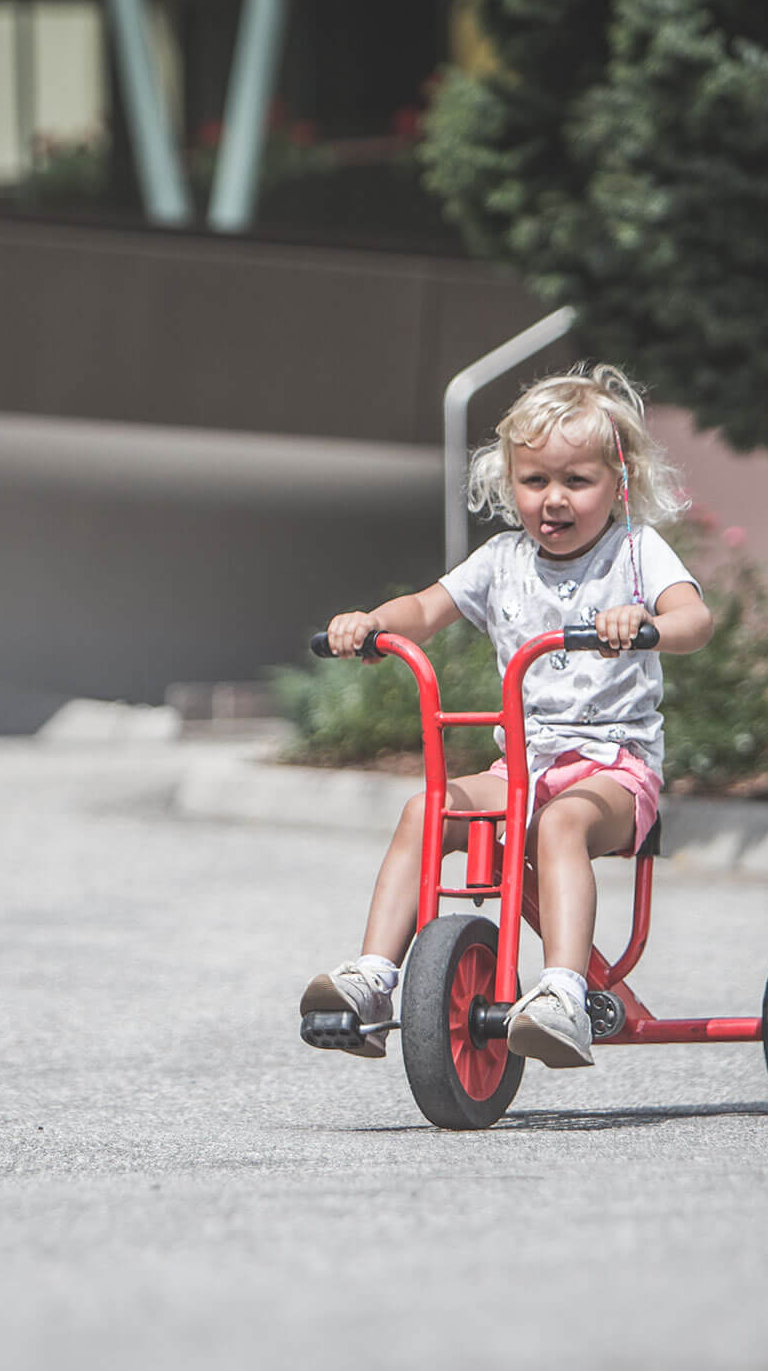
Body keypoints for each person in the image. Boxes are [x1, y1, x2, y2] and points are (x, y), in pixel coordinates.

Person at [305, 364, 713, 1068]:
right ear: (509, 482)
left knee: (559, 825)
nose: (553, 499)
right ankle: (374, 979)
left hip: (615, 772)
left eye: (576, 481)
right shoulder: (502, 559)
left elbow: (695, 619)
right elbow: (425, 608)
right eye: (534, 480)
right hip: (524, 769)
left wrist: (645, 624)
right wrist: (371, 623)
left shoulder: (635, 551)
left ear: (618, 481)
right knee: (426, 810)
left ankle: (563, 995)